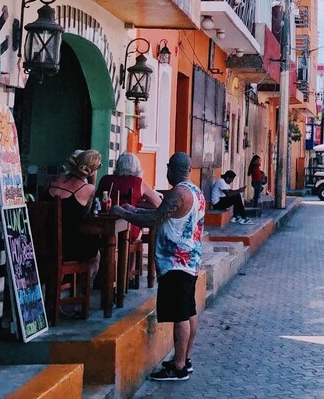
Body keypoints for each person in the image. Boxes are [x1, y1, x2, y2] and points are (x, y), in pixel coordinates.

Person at [113, 152, 206, 382]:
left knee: (181, 315)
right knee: (188, 311)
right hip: (188, 261)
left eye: (168, 169)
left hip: (177, 263)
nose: (166, 173)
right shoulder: (196, 191)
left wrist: (124, 213)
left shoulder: (179, 193)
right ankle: (185, 359)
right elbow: (161, 214)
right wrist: (135, 210)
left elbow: (155, 220)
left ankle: (179, 367)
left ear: (173, 169)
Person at [45, 149, 101, 275]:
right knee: (95, 252)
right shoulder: (88, 189)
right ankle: (82, 289)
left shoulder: (54, 181)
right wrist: (93, 179)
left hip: (45, 241)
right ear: (91, 170)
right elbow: (88, 213)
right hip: (67, 246)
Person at [96, 153, 162, 241]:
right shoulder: (138, 182)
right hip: (131, 230)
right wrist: (139, 204)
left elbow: (96, 200)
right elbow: (158, 204)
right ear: (137, 167)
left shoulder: (105, 179)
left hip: (104, 229)